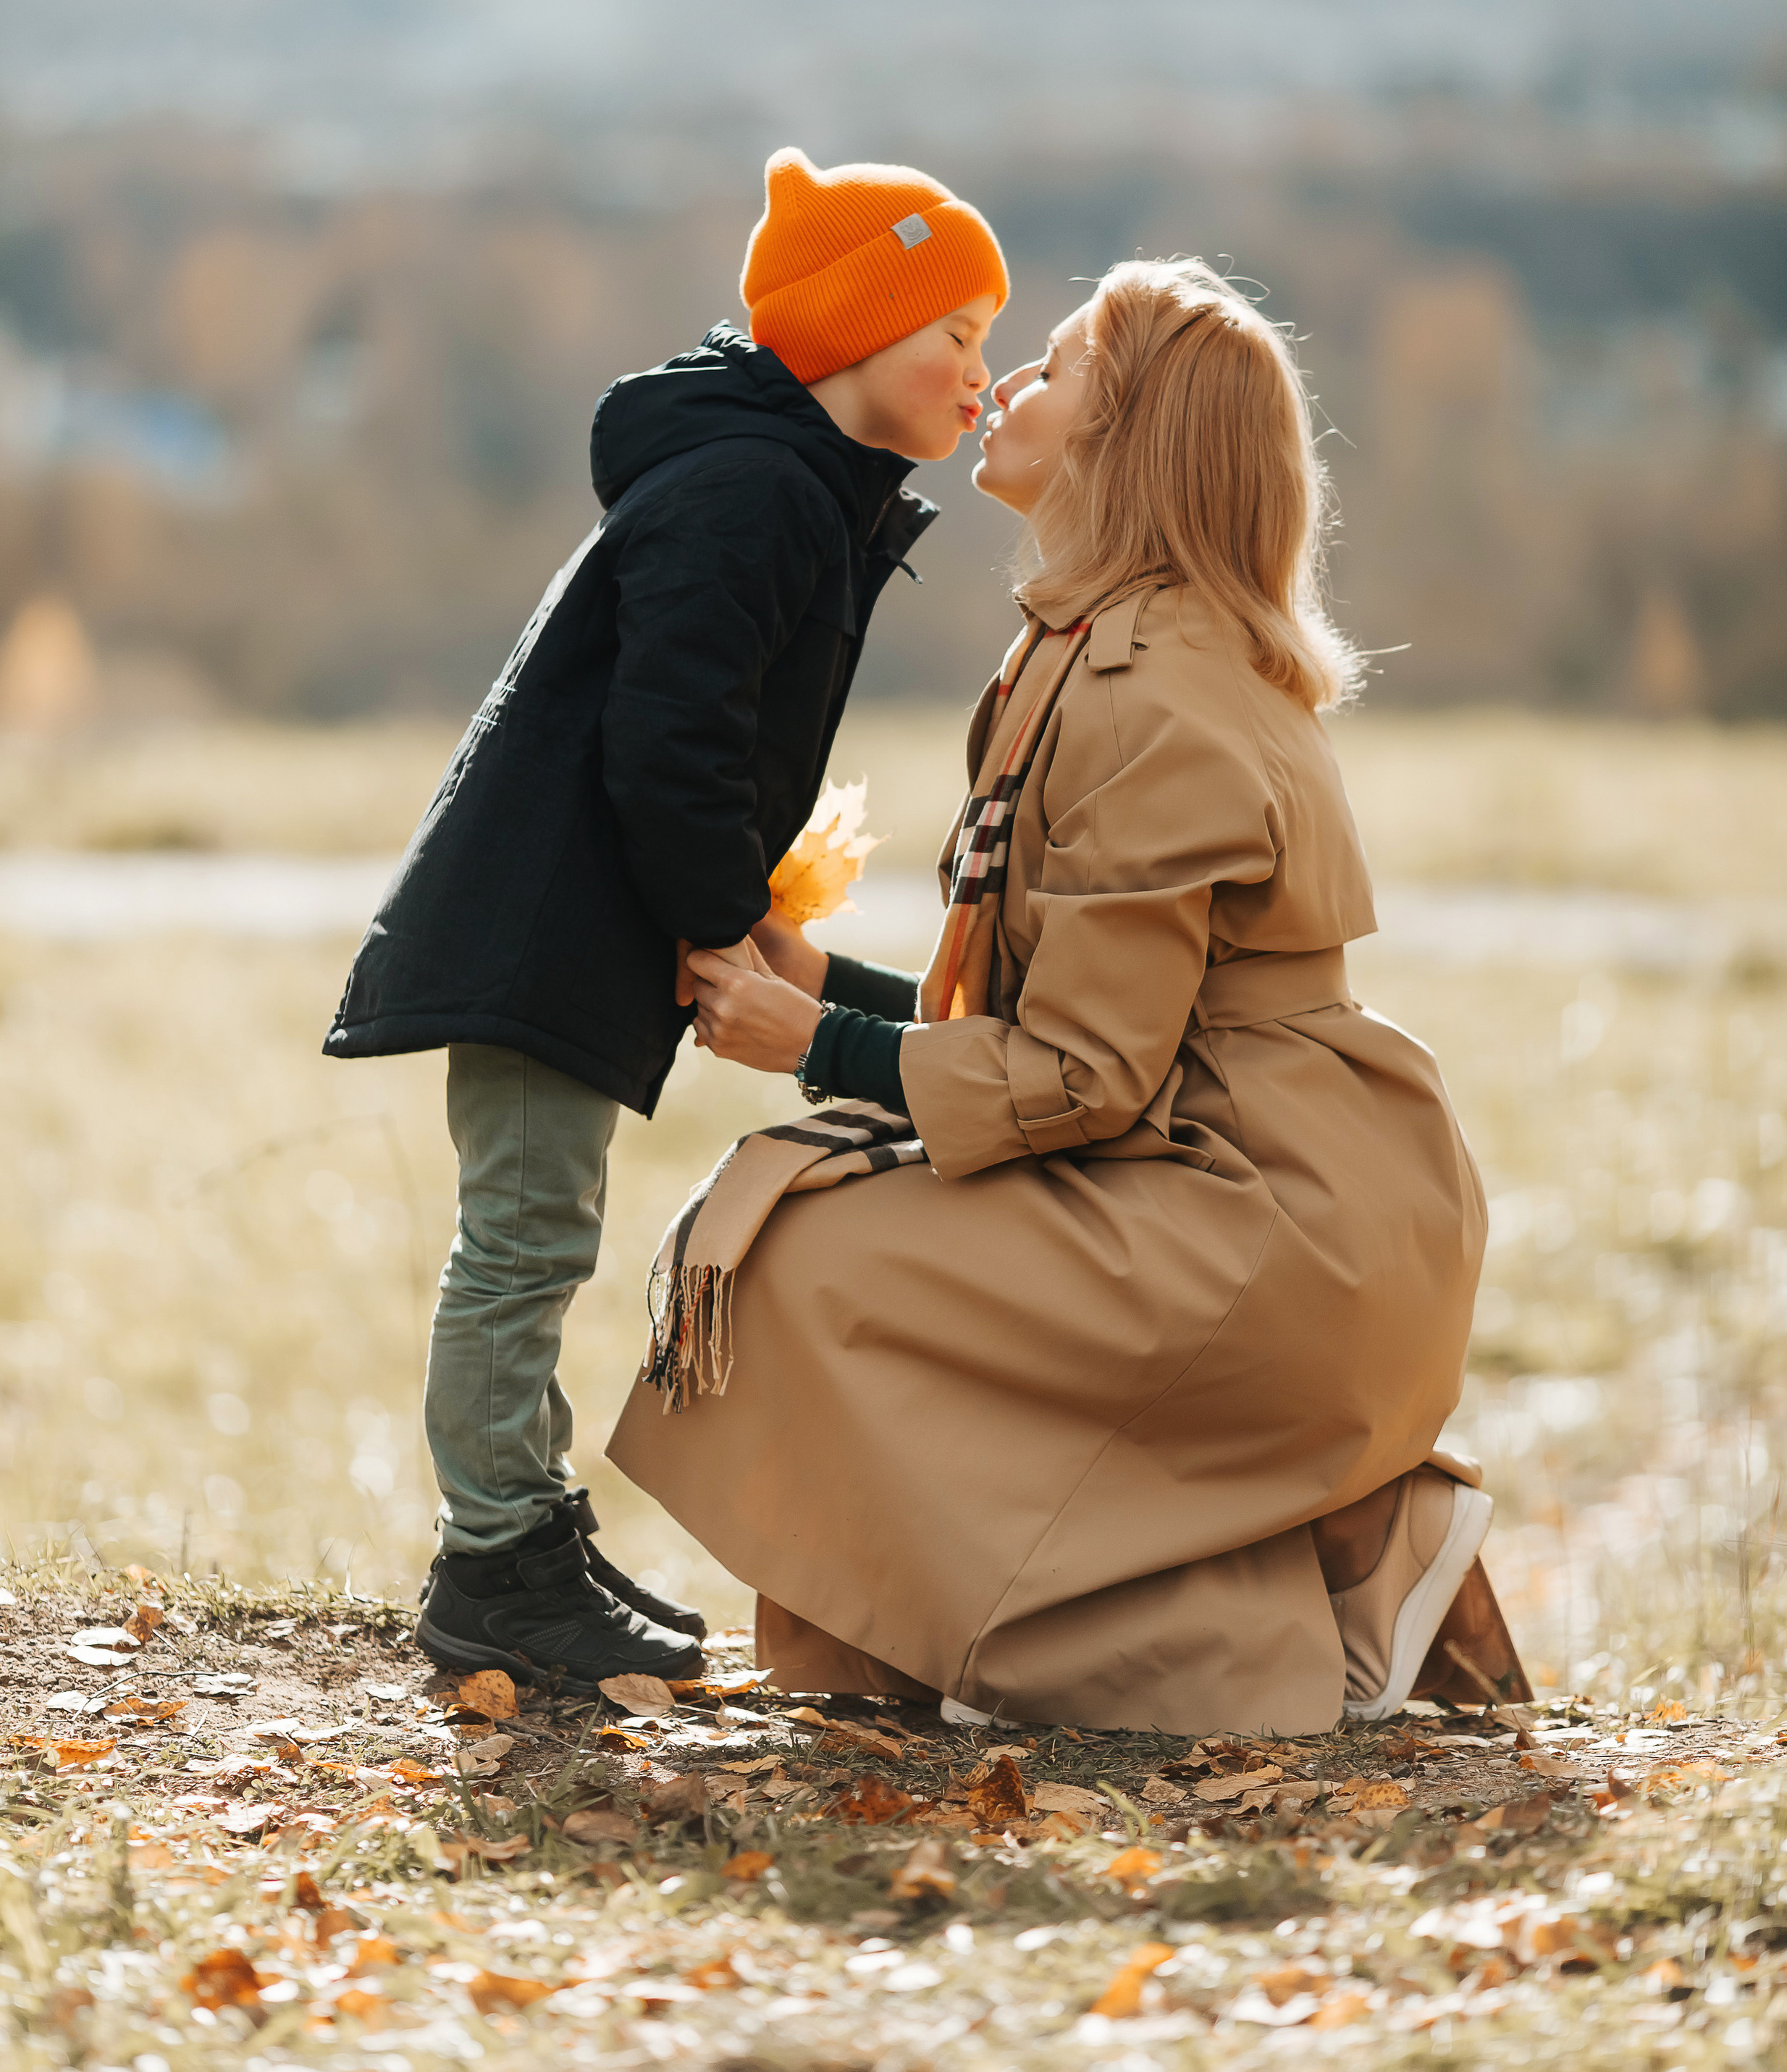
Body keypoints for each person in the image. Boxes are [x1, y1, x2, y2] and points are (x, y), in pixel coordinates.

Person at [610, 256, 1526, 1732]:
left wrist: (819, 1043)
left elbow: (1088, 1075)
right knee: (822, 1226)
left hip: (1266, 1216)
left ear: (1127, 437)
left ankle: (1289, 1611)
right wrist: (820, 983)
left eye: (1056, 367)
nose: (1008, 386)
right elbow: (1077, 1023)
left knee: (812, 1260)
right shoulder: (1111, 645)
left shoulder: (1150, 690)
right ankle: (1061, 1613)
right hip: (1234, 1168)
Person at [323, 148, 1009, 1687]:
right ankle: (494, 1563)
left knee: (542, 1232)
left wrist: (739, 912)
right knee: (521, 1242)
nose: (981, 372)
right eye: (955, 334)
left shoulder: (788, 486)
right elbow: (669, 743)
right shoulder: (754, 491)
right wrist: (719, 923)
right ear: (850, 339)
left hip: (580, 920)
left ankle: (526, 1529)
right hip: (545, 929)